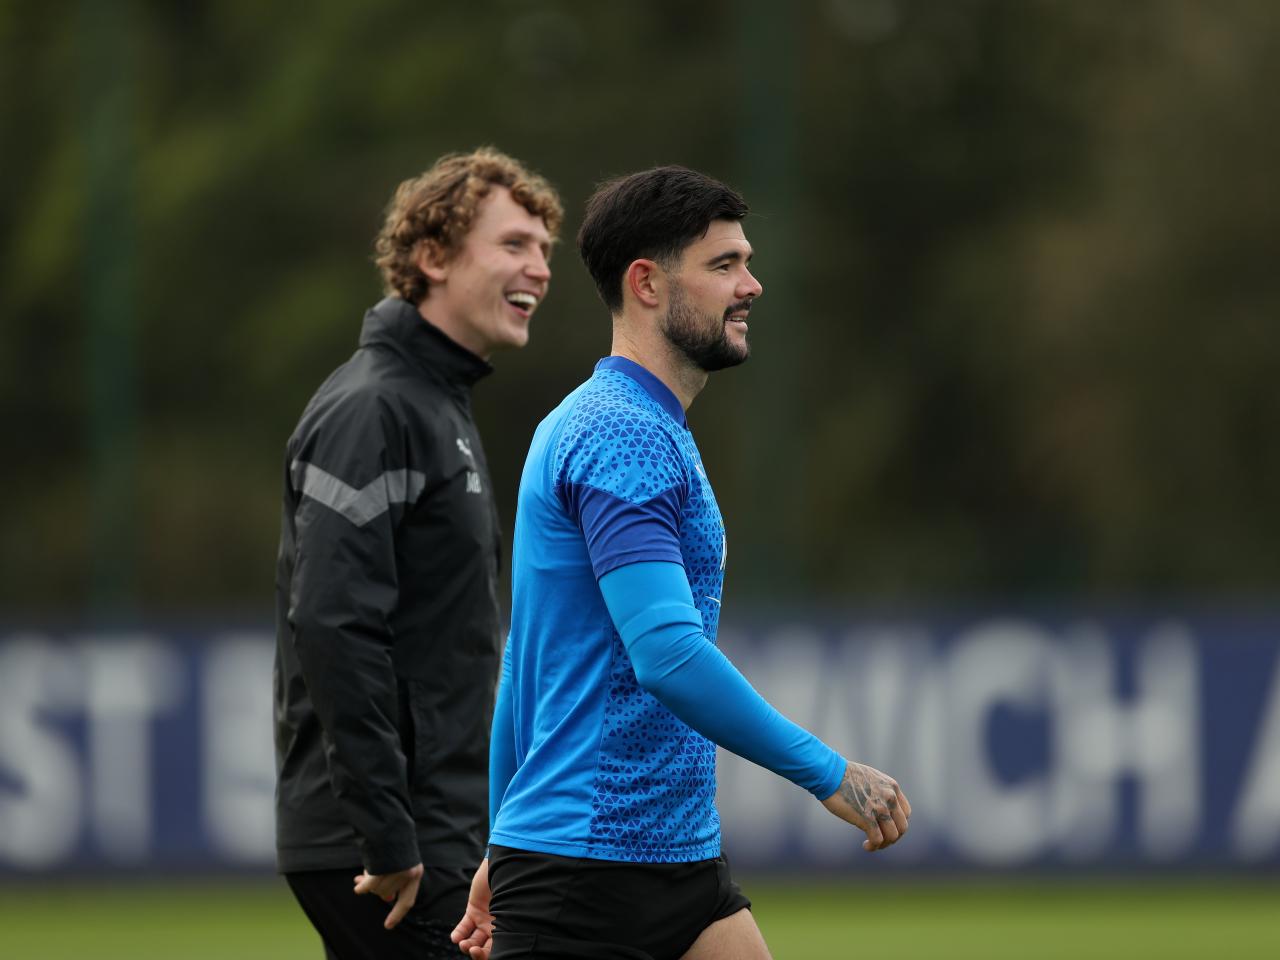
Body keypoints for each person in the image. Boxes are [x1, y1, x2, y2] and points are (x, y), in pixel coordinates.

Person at [451, 166, 911, 960]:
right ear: (648, 285)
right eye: (724, 265)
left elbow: (527, 660)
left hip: (675, 860)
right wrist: (828, 772)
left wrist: (500, 838)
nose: (752, 285)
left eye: (747, 261)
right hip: (583, 874)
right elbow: (665, 654)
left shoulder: (629, 423)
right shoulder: (619, 434)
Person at [273, 147, 562, 960]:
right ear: (431, 257)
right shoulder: (376, 408)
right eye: (513, 244)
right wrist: (387, 838)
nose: (539, 268)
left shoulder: (437, 404)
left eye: (545, 250)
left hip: (432, 828)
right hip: (387, 848)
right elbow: (332, 622)